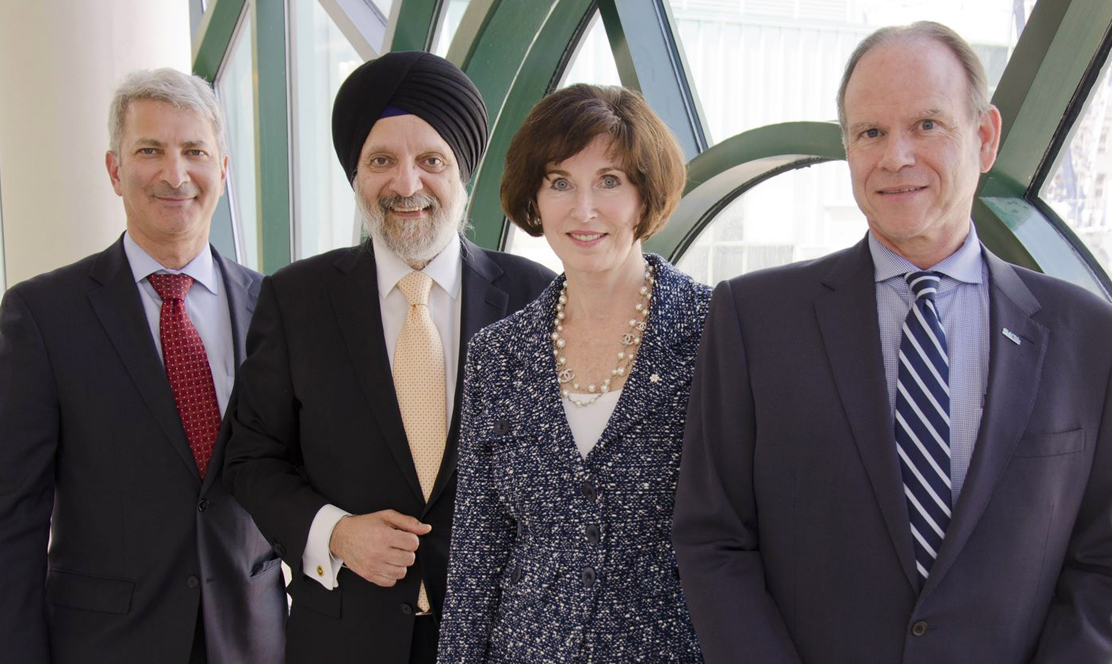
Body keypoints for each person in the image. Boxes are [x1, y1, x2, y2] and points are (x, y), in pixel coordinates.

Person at [673, 20, 1112, 664]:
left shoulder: (1088, 333)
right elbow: (714, 540)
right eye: (871, 132)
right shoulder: (752, 318)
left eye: (927, 125)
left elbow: (1102, 559)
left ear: (985, 137)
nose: (896, 157)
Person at [222, 51, 554, 664]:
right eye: (381, 161)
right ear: (356, 176)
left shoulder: (536, 298)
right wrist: (335, 533)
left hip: (501, 641)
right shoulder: (297, 299)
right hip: (343, 639)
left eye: (431, 160)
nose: (406, 184)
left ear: (465, 176)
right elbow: (249, 458)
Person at [0, 69, 285, 664]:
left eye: (195, 152)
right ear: (114, 170)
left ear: (223, 171)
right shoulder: (42, 315)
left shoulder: (275, 308)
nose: (175, 174)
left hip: (253, 640)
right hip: (105, 645)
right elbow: (15, 517)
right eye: (150, 150)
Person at [437, 83, 708, 662]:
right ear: (534, 198)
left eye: (609, 181)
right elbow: (477, 557)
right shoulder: (497, 355)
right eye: (560, 182)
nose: (583, 210)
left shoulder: (716, 334)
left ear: (645, 194)